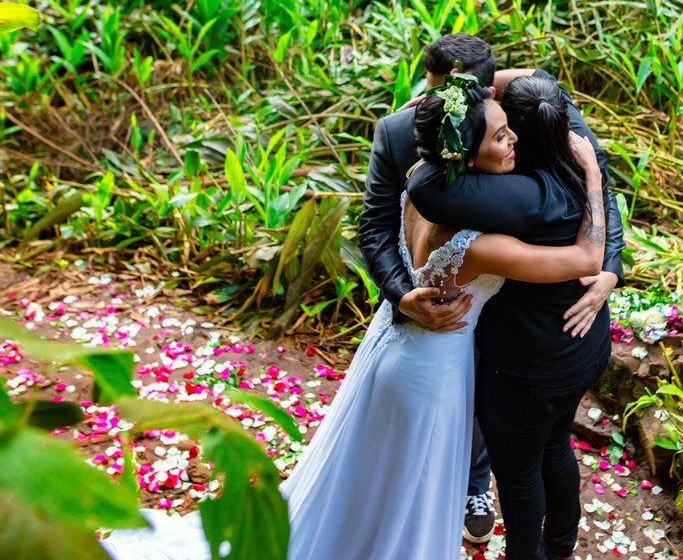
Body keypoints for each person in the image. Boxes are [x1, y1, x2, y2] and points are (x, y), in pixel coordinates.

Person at [98, 75, 607, 560]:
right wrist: (591, 174)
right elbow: (585, 260)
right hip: (433, 371)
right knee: (410, 488)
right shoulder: (482, 242)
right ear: (470, 155)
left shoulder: (425, 193)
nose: (513, 137)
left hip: (399, 348)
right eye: (500, 134)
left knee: (370, 481)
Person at [357, 33, 623, 542]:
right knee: (424, 452)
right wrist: (400, 295)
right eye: (499, 138)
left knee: (490, 442)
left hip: (494, 337)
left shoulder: (525, 109)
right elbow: (374, 227)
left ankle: (465, 497)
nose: (427, 102)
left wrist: (609, 269)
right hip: (439, 329)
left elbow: (602, 182)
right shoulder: (403, 142)